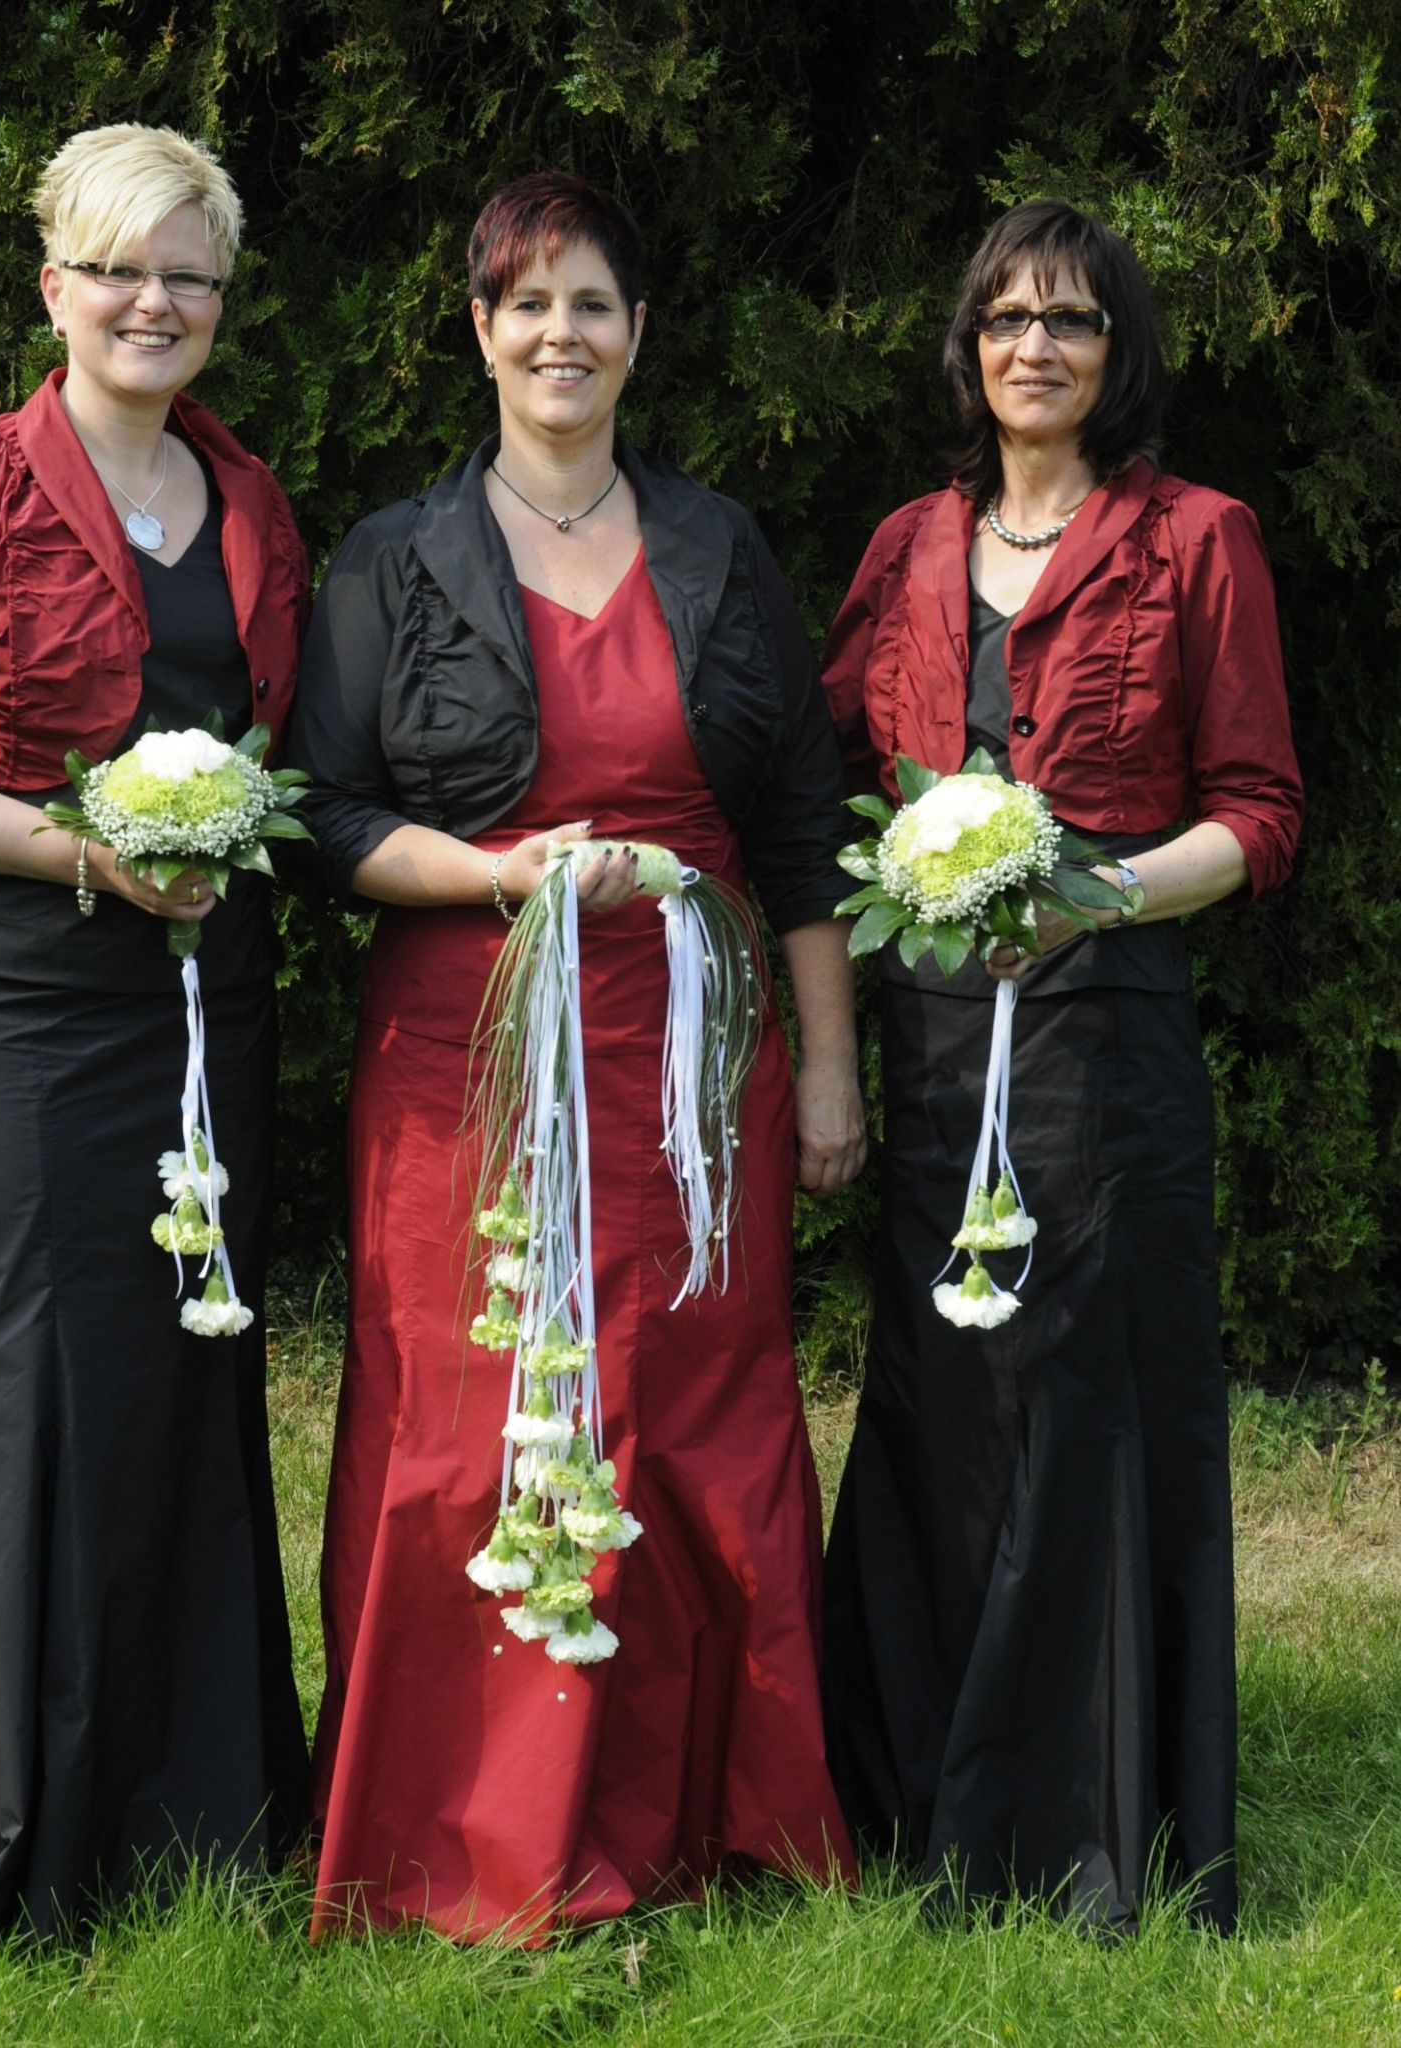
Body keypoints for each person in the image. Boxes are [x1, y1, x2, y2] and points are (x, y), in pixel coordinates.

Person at [290, 171, 867, 1941]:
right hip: (463, 1061)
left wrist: (827, 1070)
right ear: (479, 330)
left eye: (592, 304)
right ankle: (456, 1841)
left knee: (694, 1413)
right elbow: (324, 816)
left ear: (636, 335)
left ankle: (703, 1824)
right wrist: (496, 872)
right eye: (527, 304)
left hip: (688, 1067)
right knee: (466, 1420)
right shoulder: (390, 558)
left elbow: (799, 826)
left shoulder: (720, 549)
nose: (561, 335)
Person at [0, 123, 310, 1939]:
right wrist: (79, 854)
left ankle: (191, 1793)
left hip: (198, 1002)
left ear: (220, 301)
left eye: (186, 275)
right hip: (5, 1001)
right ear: (53, 289)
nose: (151, 303)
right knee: (18, 1375)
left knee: (182, 1364)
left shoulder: (248, 501)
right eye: (117, 270)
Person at [820, 200, 1302, 1934]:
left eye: (1073, 321)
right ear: (969, 347)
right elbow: (822, 786)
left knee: (1079, 1400)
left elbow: (1259, 812)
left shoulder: (1198, 539)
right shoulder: (904, 546)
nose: (1036, 346)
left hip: (1106, 1050)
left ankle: (1076, 1826)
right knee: (945, 1402)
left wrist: (1091, 899)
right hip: (934, 1044)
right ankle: (907, 1794)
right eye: (1008, 318)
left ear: (1118, 353)